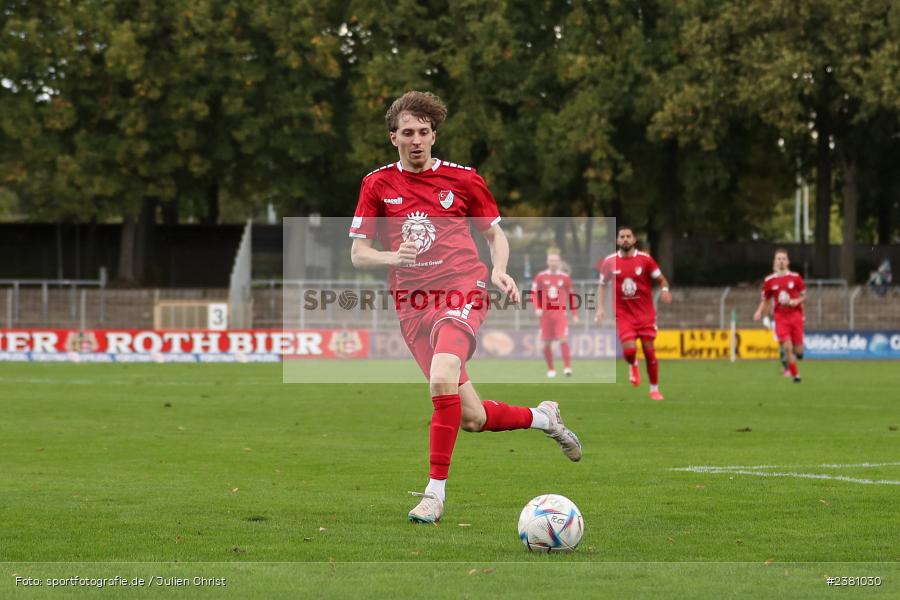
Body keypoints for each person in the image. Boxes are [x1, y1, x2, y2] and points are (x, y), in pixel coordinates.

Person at [348, 91, 582, 524]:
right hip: (412, 305)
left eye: (423, 132)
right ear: (392, 138)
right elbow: (359, 254)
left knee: (441, 377)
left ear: (434, 135)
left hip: (462, 287)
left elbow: (495, 235)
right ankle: (544, 418)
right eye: (407, 133)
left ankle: (434, 495)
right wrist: (391, 258)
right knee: (471, 417)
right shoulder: (376, 184)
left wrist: (499, 270)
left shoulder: (464, 179)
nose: (416, 140)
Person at [593, 226, 672, 401]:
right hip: (624, 315)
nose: (625, 239)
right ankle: (633, 363)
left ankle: (654, 389)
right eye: (622, 236)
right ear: (617, 240)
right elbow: (603, 285)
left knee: (649, 351)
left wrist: (665, 289)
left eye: (628, 236)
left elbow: (661, 279)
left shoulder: (645, 260)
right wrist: (600, 308)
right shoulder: (609, 262)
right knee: (629, 351)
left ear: (634, 239)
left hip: (645, 314)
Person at [754, 248, 806, 383]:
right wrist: (759, 311)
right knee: (787, 347)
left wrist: (796, 301)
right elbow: (765, 299)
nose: (781, 261)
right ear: (775, 262)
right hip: (780, 318)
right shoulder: (769, 280)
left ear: (788, 261)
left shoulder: (796, 277)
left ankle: (797, 356)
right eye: (778, 259)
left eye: (783, 258)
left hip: (795, 316)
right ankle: (796, 375)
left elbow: (804, 296)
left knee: (799, 350)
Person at [531, 250, 578, 378]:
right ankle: (551, 369)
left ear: (559, 261)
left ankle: (567, 368)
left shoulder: (565, 278)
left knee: (563, 339)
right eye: (551, 260)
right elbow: (534, 293)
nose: (553, 263)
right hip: (545, 315)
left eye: (555, 260)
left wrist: (574, 313)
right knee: (546, 343)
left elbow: (571, 296)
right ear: (547, 262)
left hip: (560, 314)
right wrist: (537, 307)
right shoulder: (541, 277)